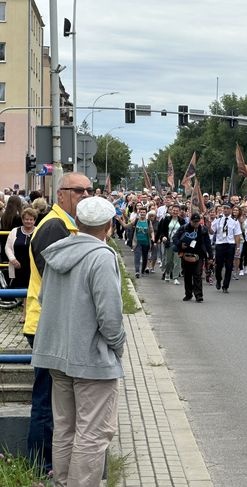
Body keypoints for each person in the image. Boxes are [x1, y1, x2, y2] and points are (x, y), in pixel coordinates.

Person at [31, 196, 125, 487]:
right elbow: (110, 316)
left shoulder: (56, 253)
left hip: (57, 354)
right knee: (93, 433)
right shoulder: (102, 256)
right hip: (91, 359)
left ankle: (61, 483)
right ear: (108, 226)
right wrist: (117, 346)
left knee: (65, 429)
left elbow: (45, 299)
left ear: (78, 223)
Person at [24, 172, 92, 474]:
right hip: (45, 324)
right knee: (45, 401)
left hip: (53, 323)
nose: (86, 196)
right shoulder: (54, 227)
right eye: (79, 191)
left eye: (89, 191)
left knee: (53, 399)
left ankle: (49, 465)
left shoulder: (66, 225)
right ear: (61, 193)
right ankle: (41, 465)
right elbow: (60, 280)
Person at [4, 207, 38, 322]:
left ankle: (25, 315)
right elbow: (8, 247)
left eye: (31, 219)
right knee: (23, 291)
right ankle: (25, 313)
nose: (28, 221)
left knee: (30, 289)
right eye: (26, 219)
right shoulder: (15, 231)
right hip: (18, 266)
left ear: (34, 220)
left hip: (33, 266)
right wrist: (12, 259)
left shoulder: (39, 231)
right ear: (22, 220)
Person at [173, 212, 213, 302]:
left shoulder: (203, 230)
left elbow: (208, 243)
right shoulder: (184, 228)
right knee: (187, 275)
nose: (196, 223)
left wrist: (210, 256)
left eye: (197, 221)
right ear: (190, 221)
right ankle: (188, 294)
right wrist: (180, 244)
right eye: (194, 222)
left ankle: (198, 295)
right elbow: (174, 238)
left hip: (199, 255)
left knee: (197, 274)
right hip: (186, 254)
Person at [210, 202, 241, 293]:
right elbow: (212, 231)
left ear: (231, 210)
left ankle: (225, 286)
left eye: (227, 208)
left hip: (230, 245)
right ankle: (218, 280)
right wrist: (208, 224)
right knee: (218, 265)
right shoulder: (218, 219)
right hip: (220, 244)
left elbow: (237, 235)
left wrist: (237, 248)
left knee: (229, 266)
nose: (226, 210)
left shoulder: (235, 221)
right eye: (224, 208)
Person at [121, 207, 154, 278]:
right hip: (137, 242)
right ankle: (137, 271)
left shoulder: (148, 222)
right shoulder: (136, 220)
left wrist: (153, 238)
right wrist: (120, 220)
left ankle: (142, 270)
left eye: (144, 212)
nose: (142, 213)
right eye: (141, 212)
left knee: (145, 258)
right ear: (139, 213)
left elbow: (152, 231)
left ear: (146, 213)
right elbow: (126, 226)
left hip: (146, 243)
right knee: (137, 257)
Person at [157, 203, 183, 284]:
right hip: (169, 242)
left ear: (179, 212)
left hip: (178, 243)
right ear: (171, 211)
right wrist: (163, 237)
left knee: (177, 261)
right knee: (168, 261)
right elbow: (162, 231)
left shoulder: (182, 220)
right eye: (174, 210)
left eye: (177, 211)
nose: (175, 212)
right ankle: (167, 273)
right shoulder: (167, 219)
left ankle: (175, 277)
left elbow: (184, 232)